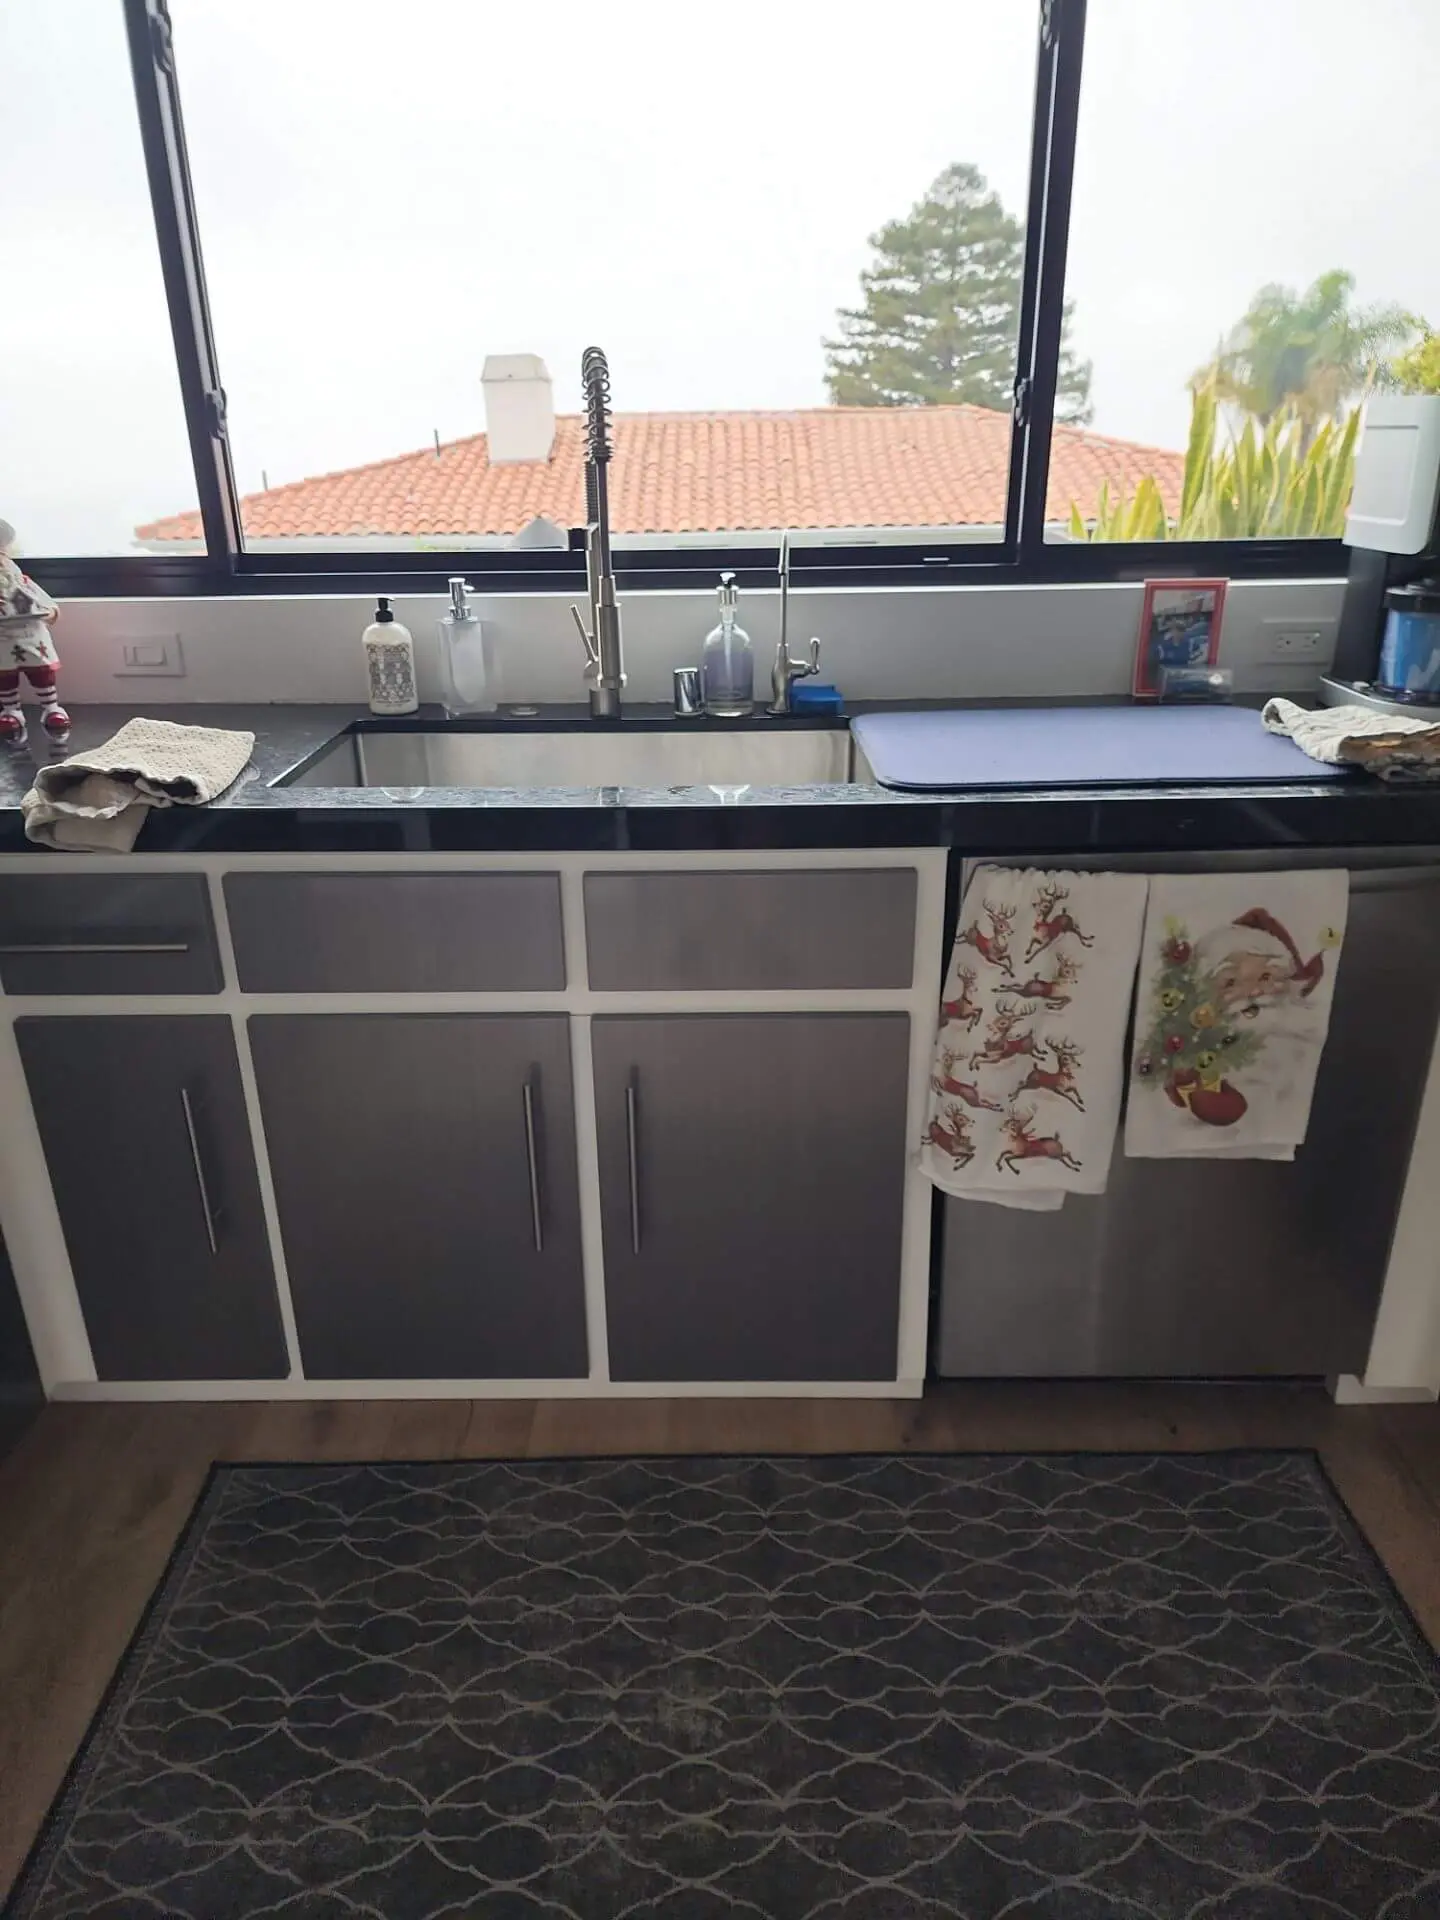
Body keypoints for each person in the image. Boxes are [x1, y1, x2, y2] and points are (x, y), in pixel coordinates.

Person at [0, 518, 67, 739]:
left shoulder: (24, 583)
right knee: (5, 677)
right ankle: (11, 711)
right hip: (3, 641)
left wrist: (49, 612)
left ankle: (51, 708)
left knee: (42, 673)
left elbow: (46, 602)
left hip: (31, 636)